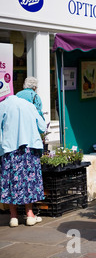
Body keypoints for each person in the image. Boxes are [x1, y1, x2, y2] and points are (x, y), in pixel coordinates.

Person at [0, 95, 46, 227]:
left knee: (10, 181)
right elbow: (42, 127)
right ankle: (30, 214)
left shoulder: (2, 106)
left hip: (10, 149)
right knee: (29, 182)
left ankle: (13, 216)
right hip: (29, 148)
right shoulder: (29, 106)